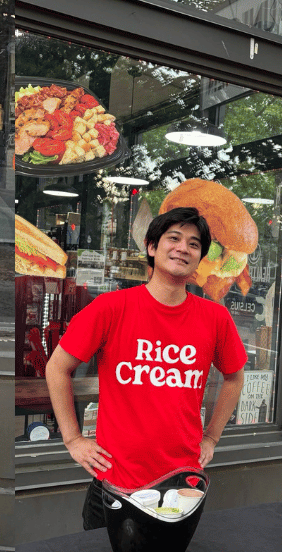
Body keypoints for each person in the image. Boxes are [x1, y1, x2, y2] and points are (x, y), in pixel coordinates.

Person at [45, 206, 246, 530]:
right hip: (114, 480)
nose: (183, 247)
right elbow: (57, 368)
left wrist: (211, 438)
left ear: (199, 259)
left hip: (181, 483)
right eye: (174, 238)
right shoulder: (111, 308)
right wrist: (72, 439)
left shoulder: (215, 319)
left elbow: (235, 377)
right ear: (153, 247)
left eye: (194, 244)